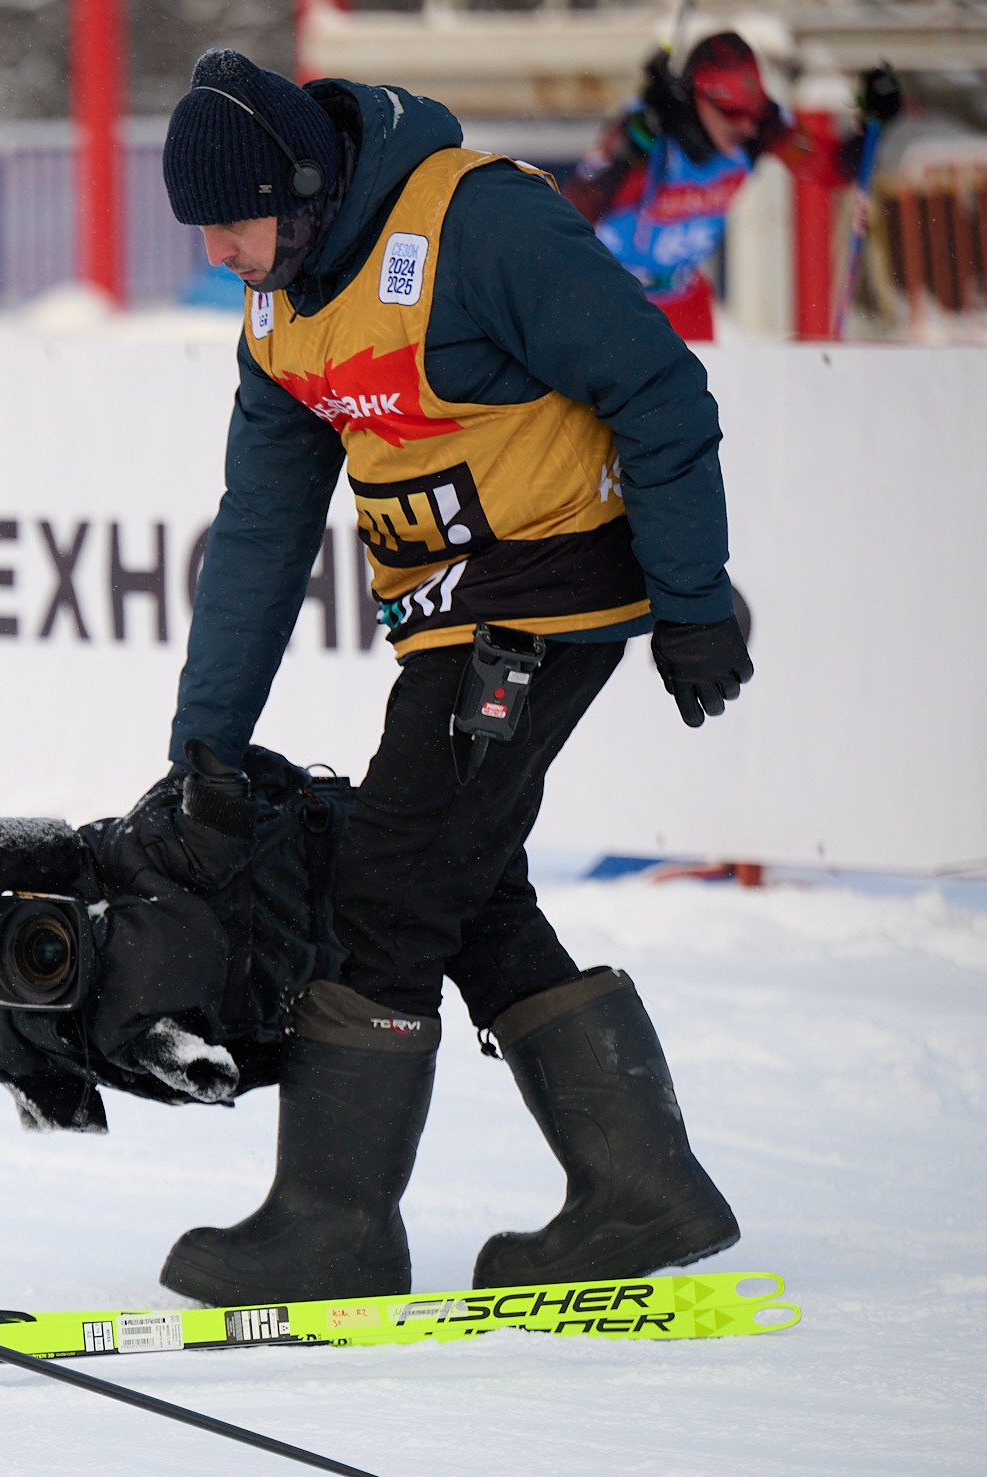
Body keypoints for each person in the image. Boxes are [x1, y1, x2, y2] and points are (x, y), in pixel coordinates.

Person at [150, 50, 752, 1308]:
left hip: (552, 593)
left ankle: (334, 1228)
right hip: (450, 621)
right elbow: (261, 524)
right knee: (458, 884)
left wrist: (692, 604)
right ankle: (640, 1190)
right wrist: (205, 739)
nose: (215, 252)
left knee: (388, 876)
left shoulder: (478, 222)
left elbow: (659, 387)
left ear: (303, 189)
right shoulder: (281, 307)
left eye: (229, 222)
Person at [564, 35, 903, 341]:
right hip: (614, 301)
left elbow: (833, 168)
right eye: (730, 112)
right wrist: (629, 156)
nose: (743, 124)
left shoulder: (761, 127)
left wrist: (872, 125)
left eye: (751, 110)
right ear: (697, 96)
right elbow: (572, 209)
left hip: (683, 301)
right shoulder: (648, 127)